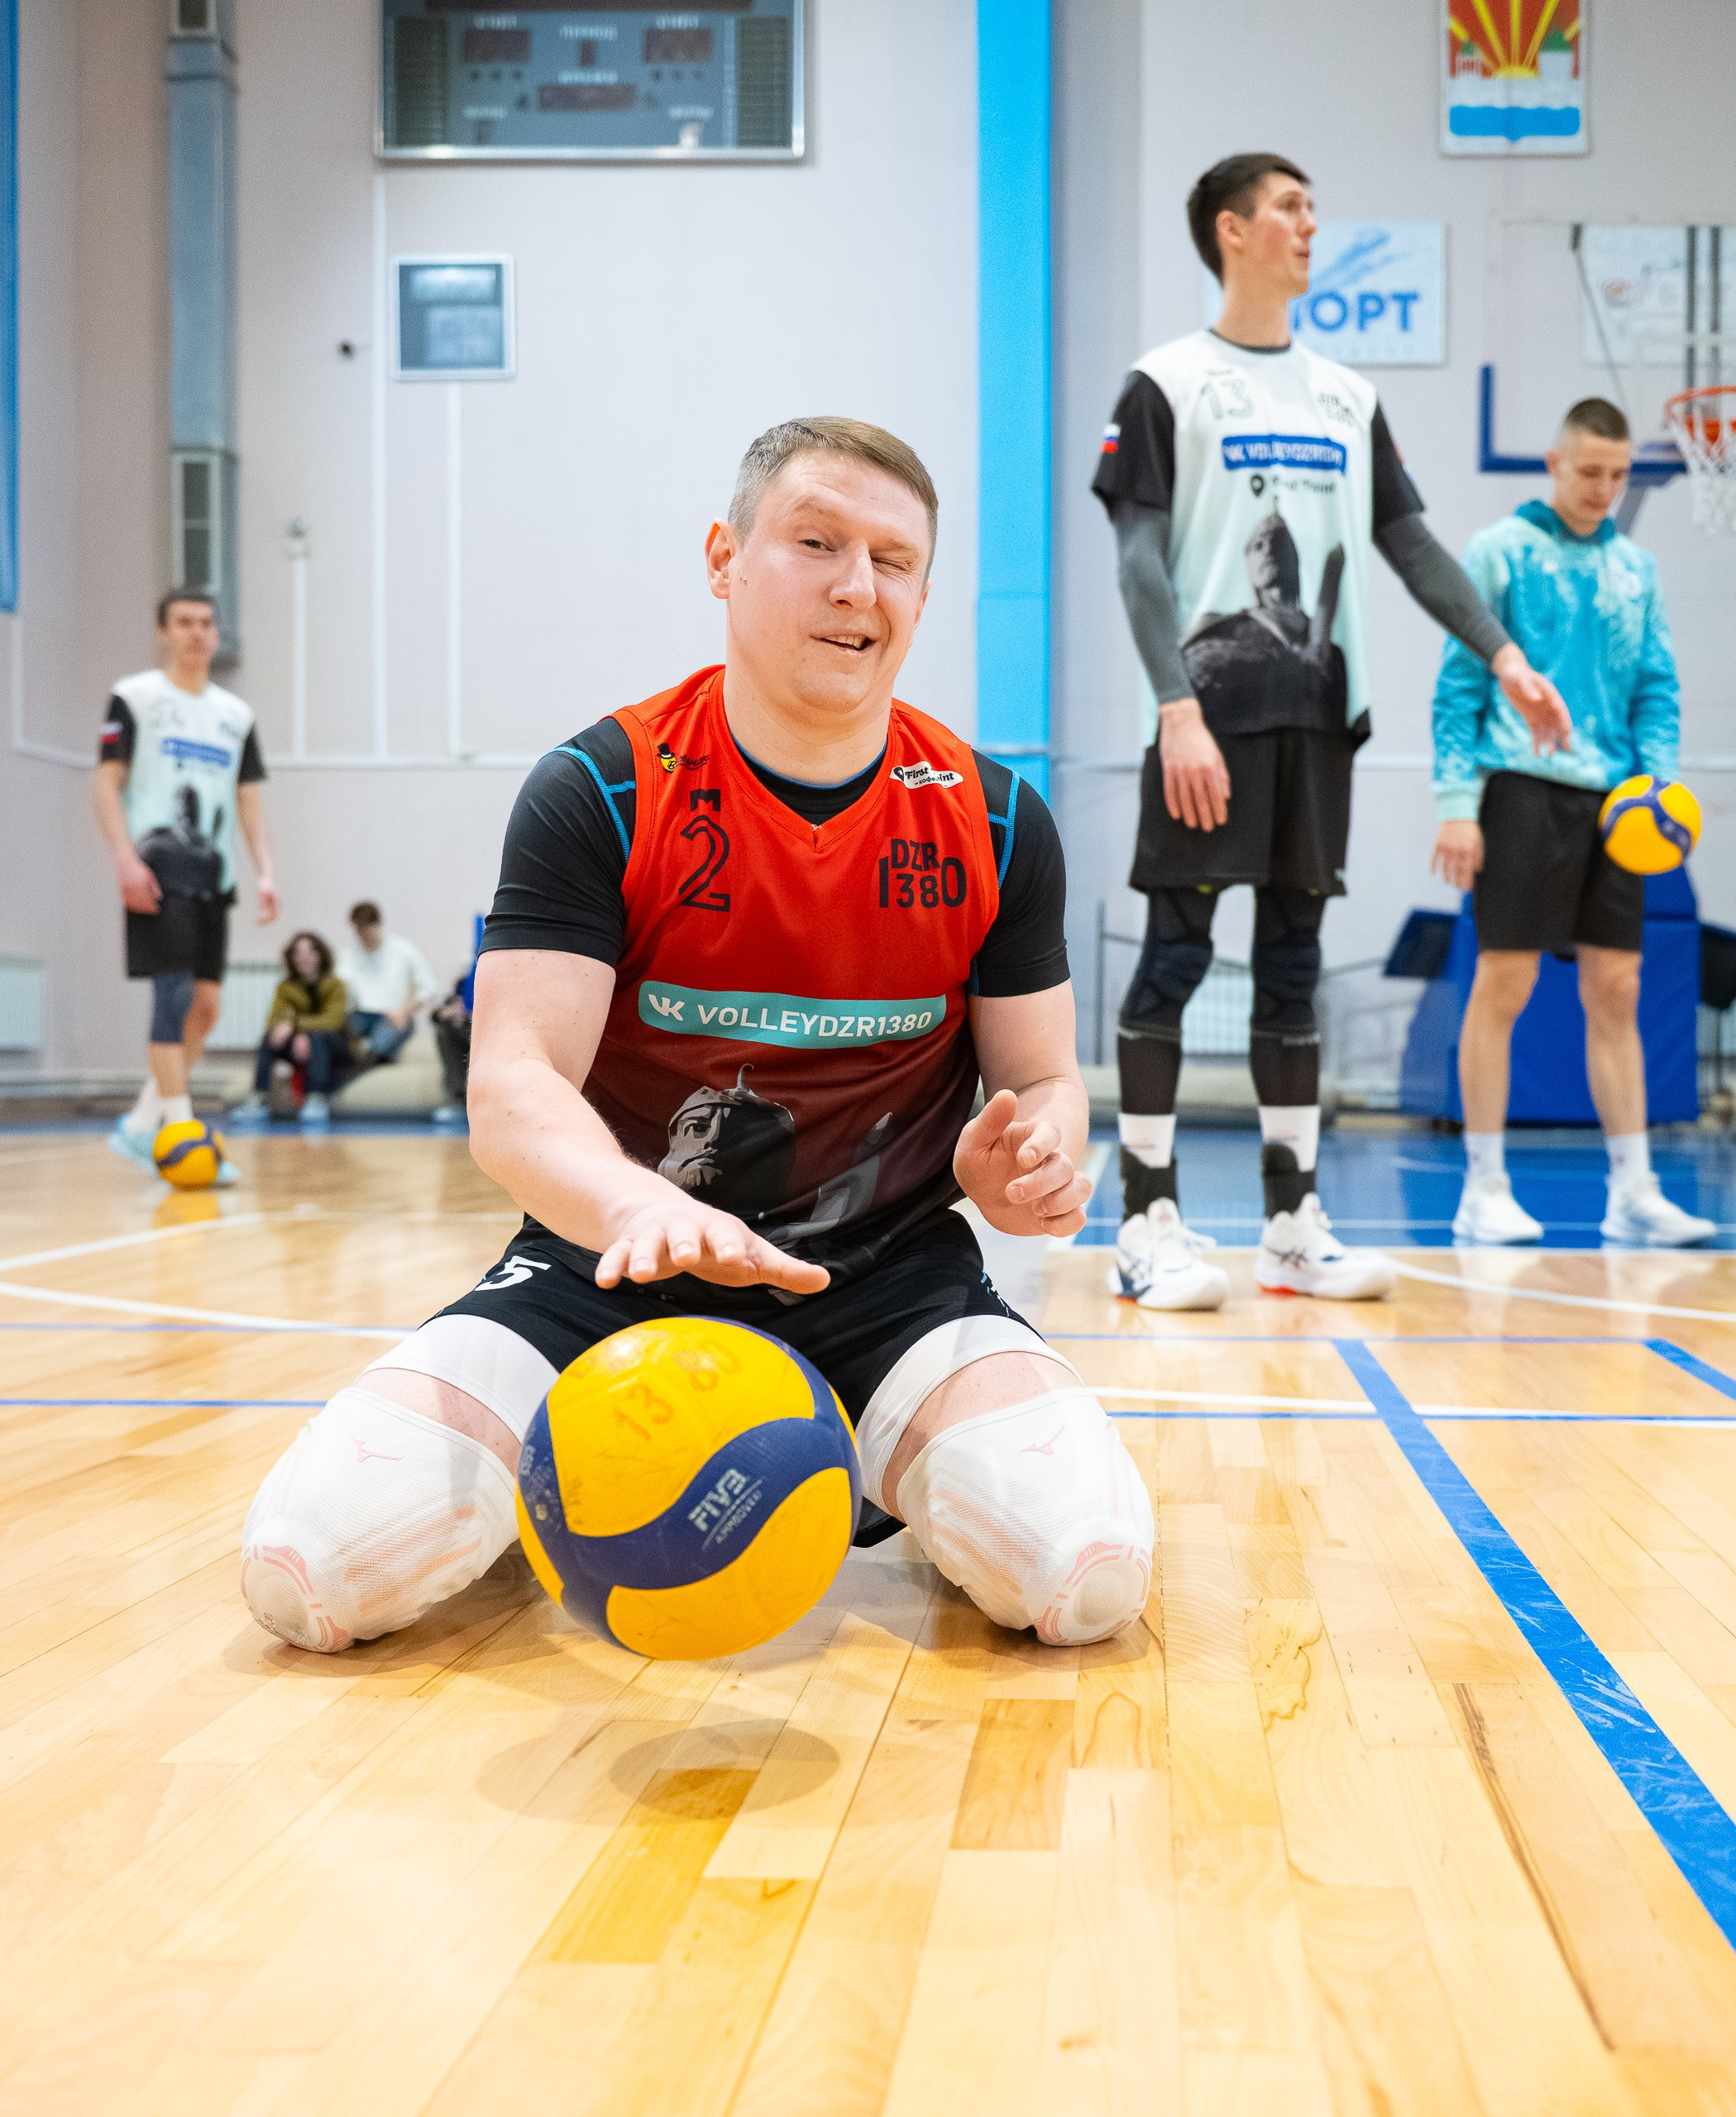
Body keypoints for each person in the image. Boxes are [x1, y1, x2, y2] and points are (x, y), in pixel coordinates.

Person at [239, 415, 1154, 1657]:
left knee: (1082, 1573)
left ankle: (887, 1445)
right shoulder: (603, 789)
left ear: (923, 595)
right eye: (815, 541)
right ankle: (562, 1465)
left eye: (890, 560)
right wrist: (631, 1211)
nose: (854, 585)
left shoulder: (992, 819)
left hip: (881, 1277)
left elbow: (1041, 1078)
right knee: (310, 1568)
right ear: (723, 557)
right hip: (609, 1262)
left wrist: (1035, 1156)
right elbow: (512, 1083)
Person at [1092, 151, 1572, 1310]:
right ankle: (1145, 1219)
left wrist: (1501, 654)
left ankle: (1286, 1222)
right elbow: (1138, 562)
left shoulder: (1345, 396)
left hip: (1318, 724)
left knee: (1292, 971)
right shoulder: (1164, 383)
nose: (1311, 225)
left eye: (1311, 208)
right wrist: (1174, 707)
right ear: (1230, 230)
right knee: (1174, 958)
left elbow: (1407, 544)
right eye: (1290, 208)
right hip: (1205, 717)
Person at [1432, 398, 1714, 1248]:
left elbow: (1656, 688)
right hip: (1517, 789)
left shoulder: (1637, 568)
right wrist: (1456, 805)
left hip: (1619, 805)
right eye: (1588, 471)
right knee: (1503, 984)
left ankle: (1632, 1190)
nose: (1602, 487)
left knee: (1618, 989)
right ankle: (1482, 1188)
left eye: (1617, 475)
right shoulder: (1497, 552)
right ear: (1552, 464)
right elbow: (1457, 688)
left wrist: (1656, 792)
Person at [93, 590, 278, 1177]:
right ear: (162, 632)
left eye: (205, 623)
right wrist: (125, 859)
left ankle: (141, 1125)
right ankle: (178, 1126)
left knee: (208, 1006)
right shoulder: (134, 697)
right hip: (157, 873)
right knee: (171, 998)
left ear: (217, 635)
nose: (196, 633)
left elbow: (248, 801)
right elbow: (104, 785)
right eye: (184, 623)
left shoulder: (235, 716)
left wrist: (265, 870)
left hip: (212, 880)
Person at [232, 932, 352, 1128]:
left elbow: (333, 1021)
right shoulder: (285, 988)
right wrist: (289, 1032)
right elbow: (275, 1020)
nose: (304, 958)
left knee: (318, 1036)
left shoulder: (336, 985)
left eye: (310, 952)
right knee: (269, 1036)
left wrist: (297, 1028)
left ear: (321, 955)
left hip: (334, 1046)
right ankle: (259, 1098)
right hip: (299, 1046)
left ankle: (315, 1098)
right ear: (291, 958)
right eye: (298, 953)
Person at [336, 901, 439, 1065]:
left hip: (394, 1016)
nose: (363, 935)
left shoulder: (403, 950)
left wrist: (405, 1011)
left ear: (377, 925)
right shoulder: (347, 957)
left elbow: (430, 988)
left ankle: (369, 1057)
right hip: (360, 1015)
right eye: (359, 930)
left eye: (367, 929)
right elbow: (339, 993)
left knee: (381, 1043)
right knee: (336, 1036)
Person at [429, 972, 473, 1128]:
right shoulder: (464, 982)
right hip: (470, 1029)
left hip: (499, 1029)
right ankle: (460, 1102)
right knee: (445, 1028)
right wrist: (457, 1010)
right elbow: (436, 1014)